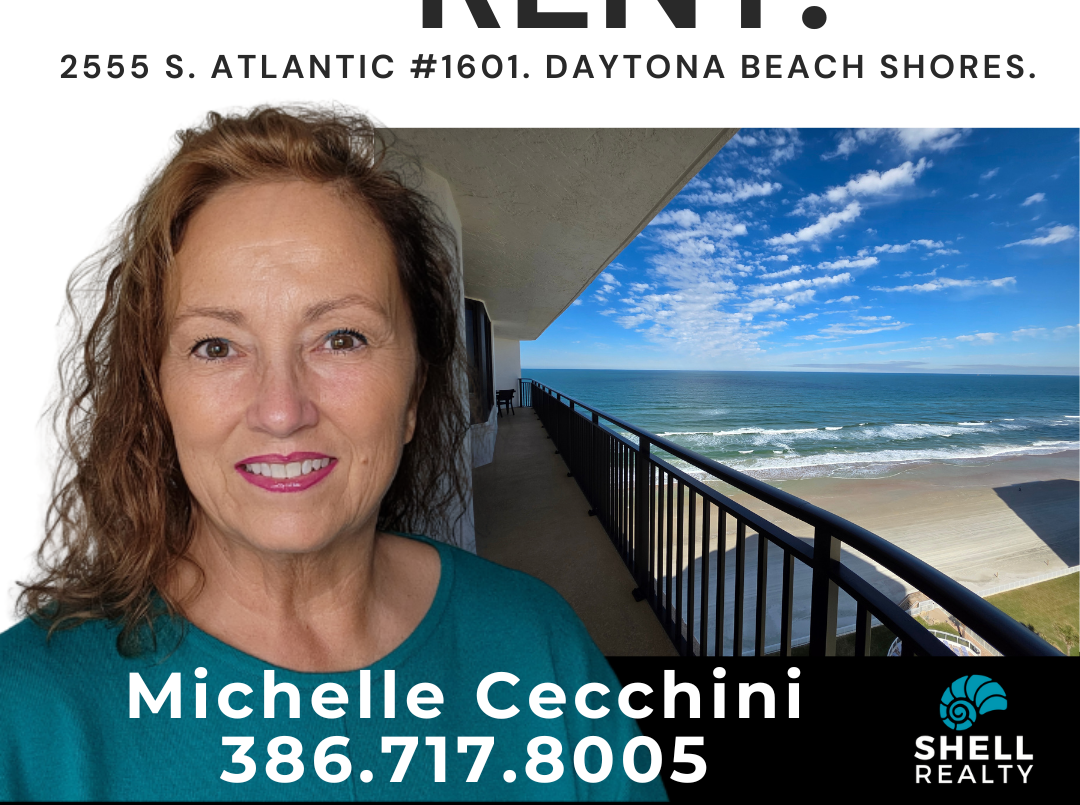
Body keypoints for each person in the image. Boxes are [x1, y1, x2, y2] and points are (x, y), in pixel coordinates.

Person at [0, 106, 665, 801]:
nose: (282, 410)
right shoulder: (25, 718)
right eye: (216, 346)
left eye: (341, 337)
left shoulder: (537, 645)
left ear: (415, 394)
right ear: (156, 393)